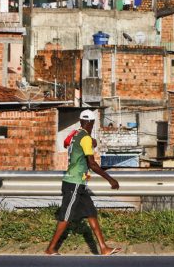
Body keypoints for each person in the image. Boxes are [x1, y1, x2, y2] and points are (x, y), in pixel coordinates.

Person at [45, 109, 121, 256]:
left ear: (81, 121)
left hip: (80, 184)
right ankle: (51, 248)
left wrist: (92, 142)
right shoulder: (85, 138)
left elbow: (82, 144)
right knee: (66, 217)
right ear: (91, 123)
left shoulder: (75, 135)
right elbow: (92, 164)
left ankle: (103, 247)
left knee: (91, 213)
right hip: (73, 183)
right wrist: (110, 179)